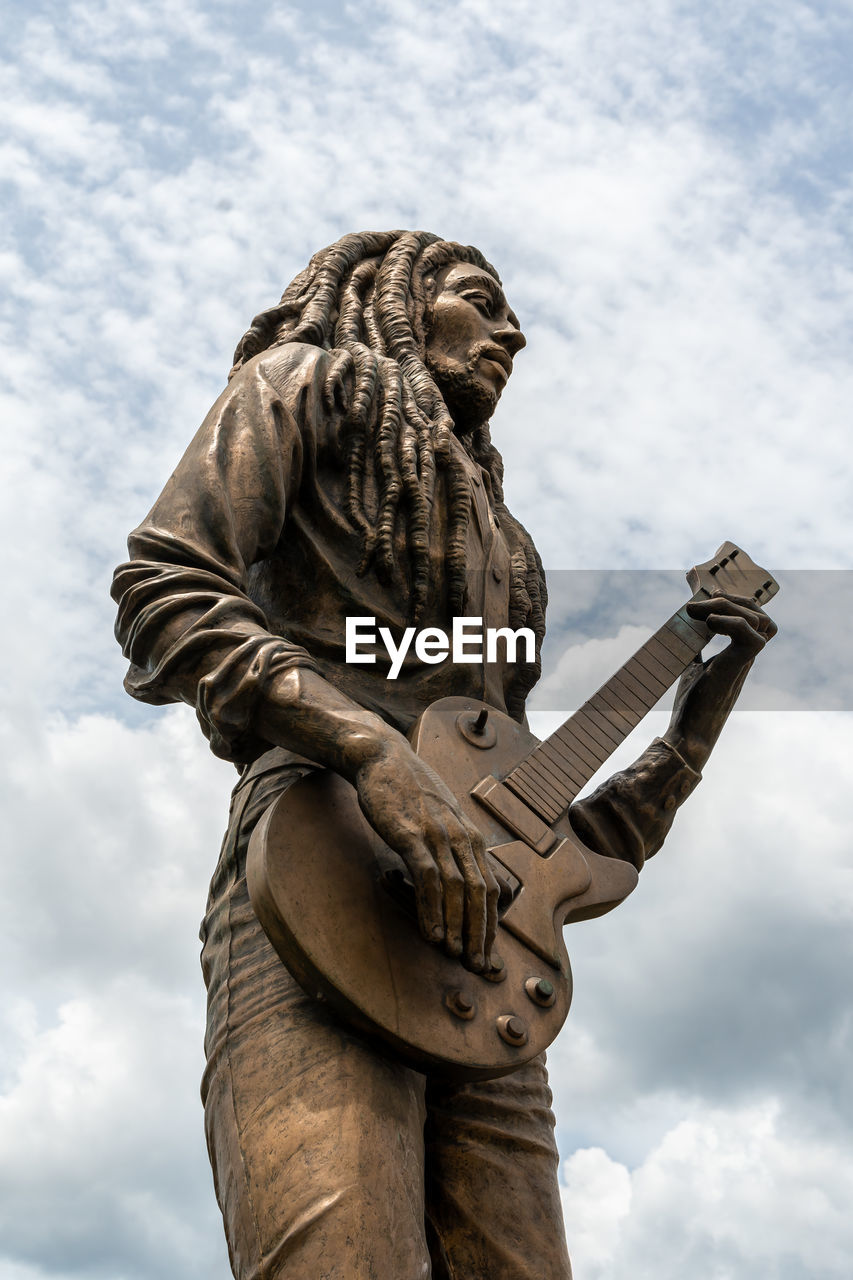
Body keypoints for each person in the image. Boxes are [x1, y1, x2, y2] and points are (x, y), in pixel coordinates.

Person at [112, 230, 775, 1279]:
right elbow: (163, 588)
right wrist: (369, 751)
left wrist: (702, 703)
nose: (514, 330)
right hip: (319, 879)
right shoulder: (303, 388)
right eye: (481, 300)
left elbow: (565, 845)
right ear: (394, 304)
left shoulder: (513, 558)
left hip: (486, 971)